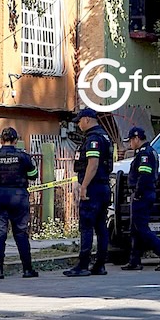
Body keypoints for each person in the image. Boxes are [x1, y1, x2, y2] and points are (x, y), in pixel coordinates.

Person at [0, 127, 40, 279]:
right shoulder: (24, 156)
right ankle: (27, 269)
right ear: (16, 140)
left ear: (1, 140)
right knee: (21, 233)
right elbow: (34, 175)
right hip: (18, 197)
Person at [64, 108, 113, 277]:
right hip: (103, 187)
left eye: (79, 121)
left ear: (86, 119)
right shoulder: (105, 136)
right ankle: (100, 265)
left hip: (93, 188)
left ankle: (83, 265)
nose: (78, 124)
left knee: (86, 226)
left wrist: (84, 186)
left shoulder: (93, 139)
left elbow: (93, 163)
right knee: (100, 227)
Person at [120, 127, 160, 272]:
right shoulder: (148, 152)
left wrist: (138, 193)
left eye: (131, 140)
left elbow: (144, 176)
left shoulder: (145, 154)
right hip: (144, 194)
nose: (130, 144)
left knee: (142, 228)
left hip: (142, 195)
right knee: (135, 229)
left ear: (137, 139)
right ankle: (134, 260)